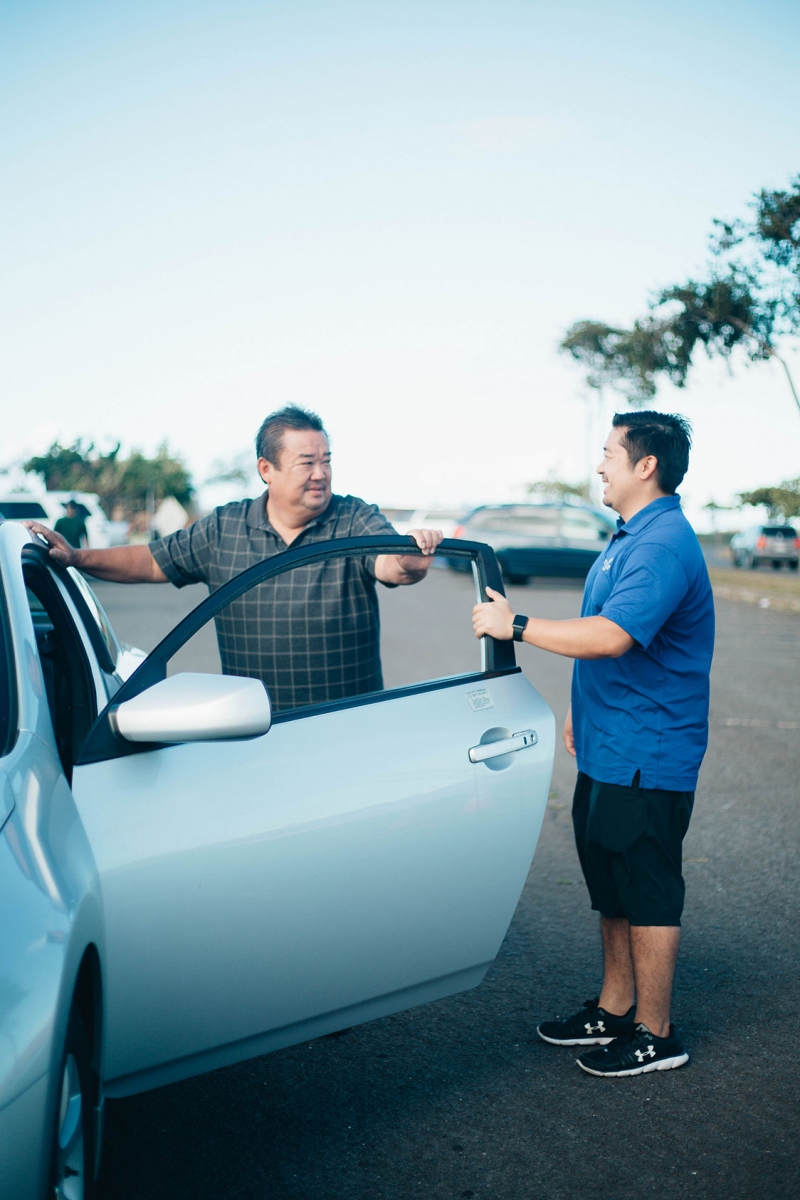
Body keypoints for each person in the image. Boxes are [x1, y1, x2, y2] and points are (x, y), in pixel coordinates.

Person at [472, 411, 714, 1077]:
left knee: (648, 886)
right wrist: (585, 710)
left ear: (645, 466)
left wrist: (513, 622)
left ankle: (655, 1033)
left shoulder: (663, 544)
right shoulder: (627, 535)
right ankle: (614, 1008)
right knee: (611, 880)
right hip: (611, 743)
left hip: (649, 750)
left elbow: (611, 635)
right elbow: (603, 635)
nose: (599, 463)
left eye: (610, 452)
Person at [27, 406, 443, 711]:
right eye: (307, 462)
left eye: (326, 461)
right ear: (267, 468)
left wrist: (413, 556)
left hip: (348, 723)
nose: (321, 473)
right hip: (254, 728)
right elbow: (152, 560)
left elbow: (392, 563)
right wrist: (77, 557)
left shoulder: (353, 517)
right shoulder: (225, 527)